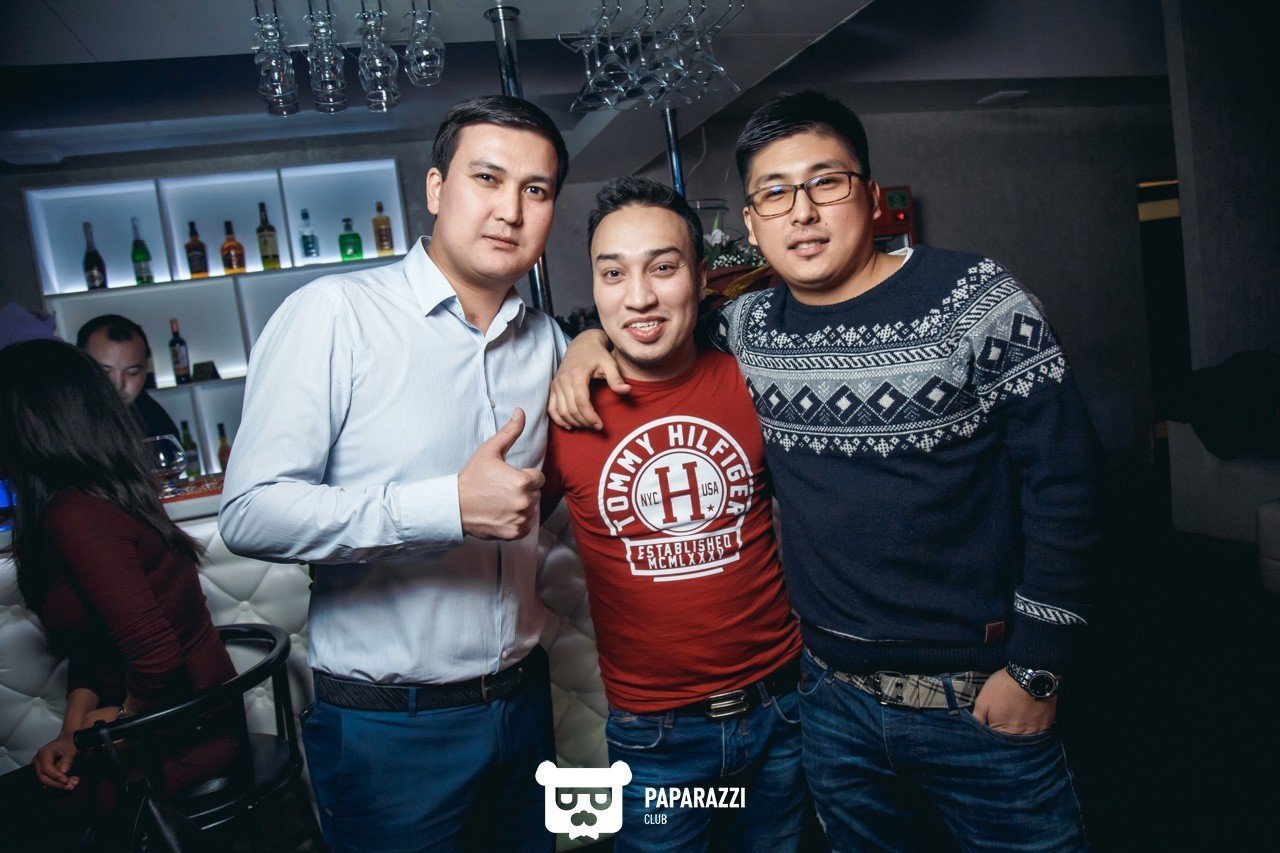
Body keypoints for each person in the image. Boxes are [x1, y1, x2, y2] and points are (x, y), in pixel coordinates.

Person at [550, 91, 1098, 850]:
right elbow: (652, 319)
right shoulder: (750, 329)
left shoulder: (978, 301)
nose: (802, 211)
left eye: (825, 183)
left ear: (870, 195)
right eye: (775, 193)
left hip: (980, 697)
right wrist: (584, 343)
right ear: (752, 224)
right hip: (830, 704)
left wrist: (1037, 668)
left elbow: (1069, 487)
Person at [218, 95, 570, 852]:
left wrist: (597, 344)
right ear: (437, 189)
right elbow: (250, 510)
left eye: (536, 190)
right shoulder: (335, 314)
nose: (510, 210)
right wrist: (447, 507)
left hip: (521, 706)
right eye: (487, 178)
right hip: (391, 732)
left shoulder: (550, 344)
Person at [541, 177, 805, 851]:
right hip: (656, 736)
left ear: (700, 276)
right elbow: (497, 528)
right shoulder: (563, 410)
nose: (639, 296)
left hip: (783, 709)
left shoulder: (754, 379)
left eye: (662, 267)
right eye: (613, 273)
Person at [0, 339, 242, 849]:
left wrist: (117, 723)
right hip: (174, 727)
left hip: (185, 739)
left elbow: (157, 659)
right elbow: (96, 650)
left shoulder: (77, 514)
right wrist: (71, 734)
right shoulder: (106, 494)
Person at [76, 314, 179, 441]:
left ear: (146, 368)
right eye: (104, 372)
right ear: (81, 367)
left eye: (132, 372)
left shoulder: (154, 421)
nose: (119, 384)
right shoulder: (62, 419)